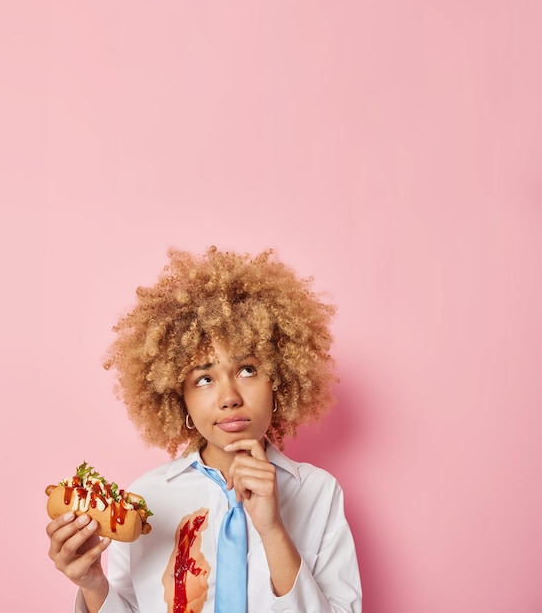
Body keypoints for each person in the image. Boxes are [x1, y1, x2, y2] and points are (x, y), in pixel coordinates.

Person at [47, 246, 362, 613]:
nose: (229, 397)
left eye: (247, 369)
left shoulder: (318, 494)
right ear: (179, 398)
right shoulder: (146, 499)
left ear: (278, 380)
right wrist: (92, 584)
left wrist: (273, 530)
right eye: (204, 378)